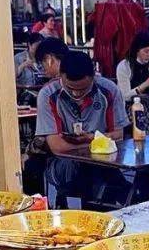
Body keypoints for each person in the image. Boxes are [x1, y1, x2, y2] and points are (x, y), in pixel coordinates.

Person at [32, 50, 130, 205]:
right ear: (61, 76)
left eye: (82, 89)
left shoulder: (109, 91)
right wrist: (97, 142)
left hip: (104, 163)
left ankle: (111, 203)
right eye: (70, 87)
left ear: (93, 78)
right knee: (98, 175)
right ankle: (125, 198)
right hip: (61, 165)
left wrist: (90, 138)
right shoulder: (48, 95)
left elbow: (119, 135)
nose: (76, 93)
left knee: (99, 172)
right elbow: (58, 147)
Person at [115, 31, 149, 101]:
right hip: (130, 108)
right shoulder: (124, 66)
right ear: (137, 50)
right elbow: (125, 97)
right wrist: (145, 84)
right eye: (146, 51)